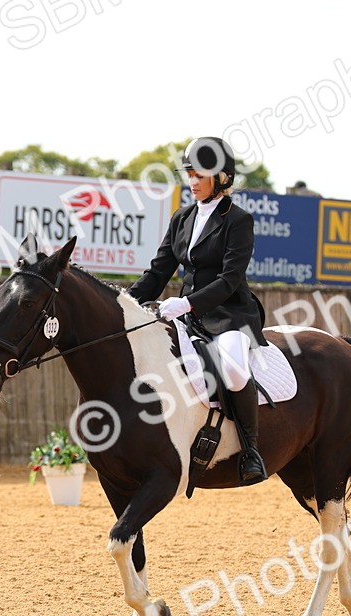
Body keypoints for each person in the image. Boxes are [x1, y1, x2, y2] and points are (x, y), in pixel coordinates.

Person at [129, 137, 269, 485]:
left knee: (234, 371)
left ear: (221, 178)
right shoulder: (182, 218)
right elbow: (158, 272)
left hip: (230, 315)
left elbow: (229, 279)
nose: (192, 182)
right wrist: (124, 303)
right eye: (189, 175)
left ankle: (251, 451)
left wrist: (187, 303)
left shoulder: (238, 220)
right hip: (187, 316)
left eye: (199, 176)